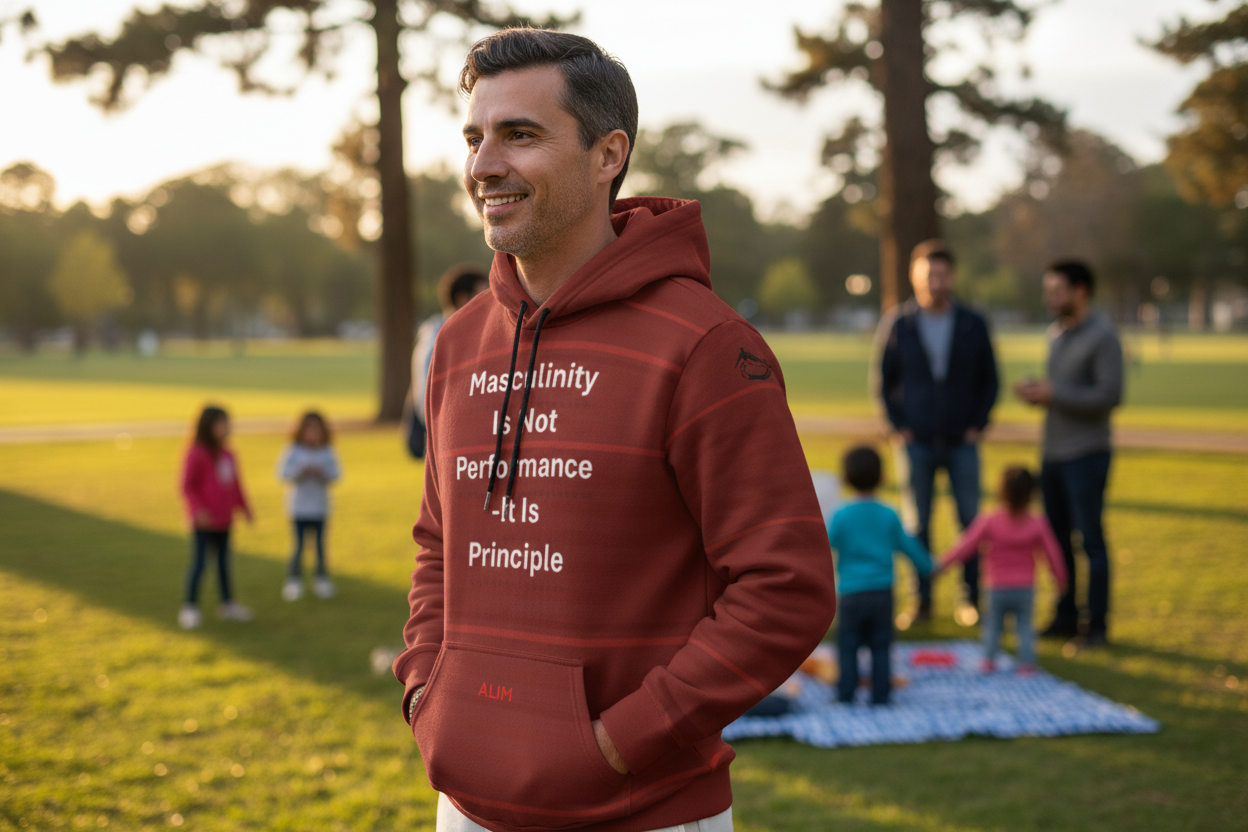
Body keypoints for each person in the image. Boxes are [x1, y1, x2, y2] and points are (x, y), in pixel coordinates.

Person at [392, 28, 836, 832]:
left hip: (642, 808)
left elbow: (786, 588)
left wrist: (621, 741)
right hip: (464, 804)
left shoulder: (704, 344)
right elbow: (438, 543)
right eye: (474, 136)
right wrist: (427, 690)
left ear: (608, 156)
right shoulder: (457, 343)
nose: (484, 164)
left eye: (520, 135)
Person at [877, 240, 999, 624]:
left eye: (942, 274)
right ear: (915, 277)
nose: (935, 281)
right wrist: (899, 429)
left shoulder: (972, 324)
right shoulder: (899, 324)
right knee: (917, 526)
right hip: (917, 443)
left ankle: (970, 600)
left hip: (962, 442)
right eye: (928, 274)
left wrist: (977, 426)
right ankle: (922, 601)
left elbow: (990, 380)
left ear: (953, 276)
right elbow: (883, 383)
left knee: (969, 522)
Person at [1015, 260, 1123, 648]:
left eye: (1057, 290)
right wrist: (1039, 394)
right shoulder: (1056, 334)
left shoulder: (1103, 337)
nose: (1050, 298)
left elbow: (1110, 396)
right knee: (1057, 541)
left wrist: (1055, 394)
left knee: (1090, 541)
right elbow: (1060, 392)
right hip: (1054, 454)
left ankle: (1096, 627)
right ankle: (1065, 615)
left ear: (1081, 291)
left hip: (1088, 454)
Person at [937, 466, 1068, 674]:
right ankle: (1026, 663)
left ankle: (989, 660)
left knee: (993, 625)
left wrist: (942, 564)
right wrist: (1060, 579)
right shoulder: (1037, 523)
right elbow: (1053, 554)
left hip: (996, 586)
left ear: (1002, 491)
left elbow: (966, 545)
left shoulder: (990, 520)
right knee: (1024, 626)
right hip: (1025, 587)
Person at [827, 446, 932, 705]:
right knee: (881, 646)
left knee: (848, 646)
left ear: (845, 478)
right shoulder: (888, 514)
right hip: (882, 592)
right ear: (882, 477)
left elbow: (822, 545)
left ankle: (846, 694)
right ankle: (881, 695)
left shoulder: (841, 515)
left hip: (850, 592)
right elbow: (909, 547)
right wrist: (929, 567)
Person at [178, 405, 253, 629]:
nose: (225, 428)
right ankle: (189, 606)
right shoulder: (196, 452)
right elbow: (187, 486)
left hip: (224, 520)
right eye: (221, 423)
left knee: (224, 564)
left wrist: (245, 509)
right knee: (200, 564)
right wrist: (198, 510)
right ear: (207, 425)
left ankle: (227, 604)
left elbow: (235, 485)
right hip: (203, 522)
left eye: (226, 423)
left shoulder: (228, 453)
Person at [407, 265, 491, 458]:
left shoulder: (473, 334)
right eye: (482, 294)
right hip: (448, 446)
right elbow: (425, 396)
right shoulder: (436, 336)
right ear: (463, 298)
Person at [278, 411, 341, 601]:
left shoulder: (327, 451)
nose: (313, 434)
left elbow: (336, 475)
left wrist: (323, 474)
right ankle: (294, 580)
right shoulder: (293, 450)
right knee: (298, 546)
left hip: (320, 508)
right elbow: (282, 474)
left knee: (320, 546)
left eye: (317, 429)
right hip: (298, 508)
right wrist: (300, 471)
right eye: (309, 429)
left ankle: (321, 579)